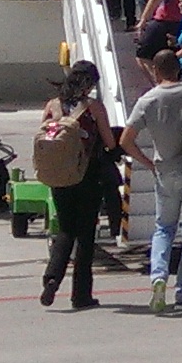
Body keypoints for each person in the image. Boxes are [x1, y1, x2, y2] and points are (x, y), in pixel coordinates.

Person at [123, 62, 182, 315]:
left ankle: (158, 278)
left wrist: (147, 163)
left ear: (155, 70)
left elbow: (126, 140)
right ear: (179, 70)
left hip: (166, 170)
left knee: (164, 228)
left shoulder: (148, 100)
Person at [37, 62, 118, 310]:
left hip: (59, 177)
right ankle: (81, 295)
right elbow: (109, 142)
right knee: (85, 236)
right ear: (90, 83)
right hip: (87, 176)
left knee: (65, 229)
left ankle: (52, 279)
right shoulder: (92, 107)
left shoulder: (52, 106)